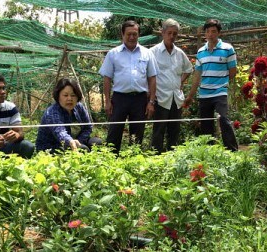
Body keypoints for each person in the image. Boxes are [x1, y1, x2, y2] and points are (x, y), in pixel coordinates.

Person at [99, 20, 159, 153]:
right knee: (114, 133)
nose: (132, 37)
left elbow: (152, 78)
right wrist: (108, 101)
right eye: (129, 34)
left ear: (139, 35)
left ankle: (133, 163)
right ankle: (111, 163)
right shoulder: (113, 54)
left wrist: (151, 102)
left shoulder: (147, 53)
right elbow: (107, 78)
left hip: (140, 100)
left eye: (135, 34)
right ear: (122, 34)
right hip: (119, 99)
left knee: (137, 135)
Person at [185, 19, 238, 152]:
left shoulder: (228, 49)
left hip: (220, 92)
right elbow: (197, 75)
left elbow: (232, 72)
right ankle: (210, 153)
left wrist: (222, 82)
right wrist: (190, 95)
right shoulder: (201, 52)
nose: (210, 34)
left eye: (213, 31)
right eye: (207, 31)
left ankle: (232, 151)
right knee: (206, 123)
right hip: (204, 93)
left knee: (224, 120)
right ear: (205, 34)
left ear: (219, 33)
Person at [150, 19, 193, 154]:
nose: (172, 36)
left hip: (176, 98)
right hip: (161, 97)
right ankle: (155, 159)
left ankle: (172, 158)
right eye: (169, 33)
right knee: (158, 131)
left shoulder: (179, 53)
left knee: (174, 130)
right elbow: (147, 75)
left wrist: (180, 82)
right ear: (162, 33)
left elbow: (189, 69)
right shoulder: (153, 52)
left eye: (175, 34)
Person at [35, 78, 102, 153]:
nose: (69, 98)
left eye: (73, 95)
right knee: (82, 149)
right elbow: (59, 131)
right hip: (52, 147)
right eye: (65, 95)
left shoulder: (79, 107)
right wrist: (70, 141)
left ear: (77, 96)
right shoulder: (52, 112)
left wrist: (79, 141)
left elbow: (88, 127)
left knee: (97, 142)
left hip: (74, 141)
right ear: (58, 96)